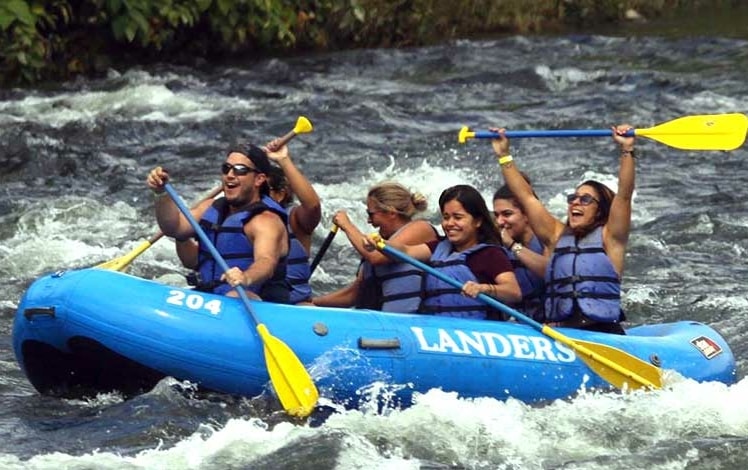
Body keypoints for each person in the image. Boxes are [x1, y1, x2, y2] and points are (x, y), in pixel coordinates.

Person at [490, 124, 636, 334]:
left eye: (585, 200)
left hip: (603, 332)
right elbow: (526, 197)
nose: (575, 203)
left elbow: (624, 194)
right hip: (562, 332)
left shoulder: (610, 237)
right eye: (572, 198)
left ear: (600, 209)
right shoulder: (556, 235)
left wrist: (627, 150)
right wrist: (504, 155)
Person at [147, 142, 291, 303]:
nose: (230, 175)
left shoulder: (266, 221)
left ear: (259, 179)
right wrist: (161, 194)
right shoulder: (210, 207)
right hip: (211, 297)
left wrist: (245, 277)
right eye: (226, 168)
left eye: (240, 170)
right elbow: (174, 228)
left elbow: (266, 262)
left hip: (258, 303)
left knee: (234, 296)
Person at [366, 184, 522, 320]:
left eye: (458, 217)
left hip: (474, 329)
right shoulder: (438, 248)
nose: (449, 224)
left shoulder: (490, 254)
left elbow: (513, 291)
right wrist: (381, 244)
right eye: (446, 217)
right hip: (436, 327)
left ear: (478, 221)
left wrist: (484, 288)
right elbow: (406, 251)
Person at [312, 182, 439, 313]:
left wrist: (347, 226)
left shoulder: (421, 228)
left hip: (408, 323)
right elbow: (352, 295)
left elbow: (376, 257)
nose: (368, 221)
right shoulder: (378, 243)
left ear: (391, 212)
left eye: (371, 214)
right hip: (376, 323)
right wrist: (311, 303)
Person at [493, 177, 548, 322]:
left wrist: (512, 246)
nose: (500, 221)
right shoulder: (495, 247)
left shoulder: (549, 240)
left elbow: (550, 271)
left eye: (507, 214)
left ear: (527, 214)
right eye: (496, 215)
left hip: (549, 322)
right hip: (516, 324)